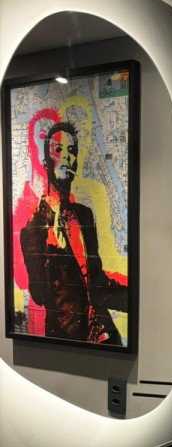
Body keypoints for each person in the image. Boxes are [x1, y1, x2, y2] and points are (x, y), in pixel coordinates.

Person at [20, 121, 127, 344]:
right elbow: (39, 295)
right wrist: (50, 249)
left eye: (71, 151)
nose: (66, 157)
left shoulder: (84, 215)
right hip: (68, 340)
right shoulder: (34, 227)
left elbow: (97, 281)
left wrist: (137, 296)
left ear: (76, 162)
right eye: (58, 150)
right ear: (46, 162)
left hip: (104, 335)